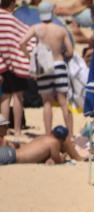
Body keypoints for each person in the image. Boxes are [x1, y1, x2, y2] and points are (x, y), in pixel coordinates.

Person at [19, 7, 74, 135]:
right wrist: (63, 55)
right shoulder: (61, 29)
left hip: (44, 67)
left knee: (47, 102)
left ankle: (48, 134)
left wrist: (31, 57)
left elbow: (22, 43)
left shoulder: (36, 28)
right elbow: (70, 52)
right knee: (63, 102)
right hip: (59, 64)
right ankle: (70, 135)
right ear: (52, 13)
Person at [1, 0, 30, 137]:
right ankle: (17, 130)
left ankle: (4, 131)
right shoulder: (12, 20)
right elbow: (25, 36)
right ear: (11, 4)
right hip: (15, 62)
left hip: (2, 65)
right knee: (18, 96)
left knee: (5, 97)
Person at [0, 125, 84, 166]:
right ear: (62, 140)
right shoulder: (54, 142)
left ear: (52, 132)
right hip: (11, 157)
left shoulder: (44, 137)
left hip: (9, 152)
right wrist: (63, 157)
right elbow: (57, 160)